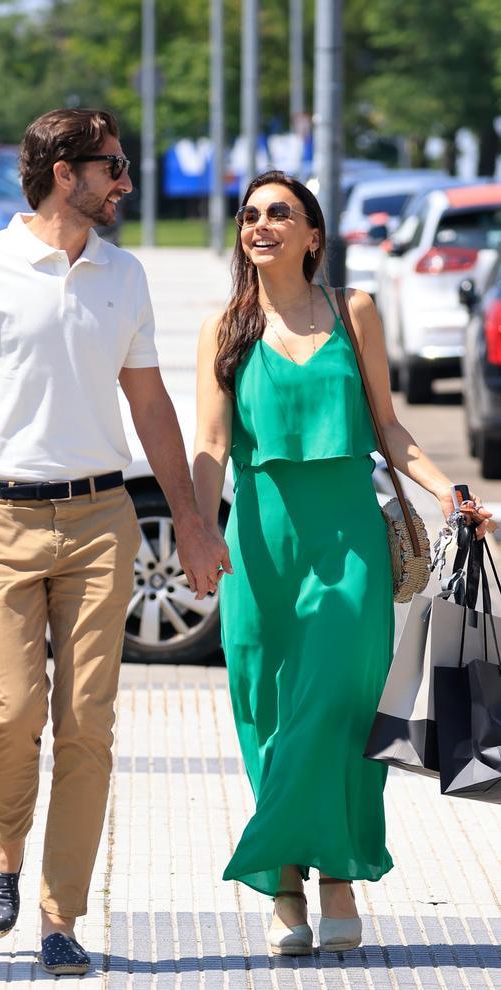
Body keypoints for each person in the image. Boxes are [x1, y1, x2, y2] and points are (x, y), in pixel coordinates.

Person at [0, 107, 229, 976]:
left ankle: (61, 916)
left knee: (88, 722)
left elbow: (149, 406)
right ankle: (3, 850)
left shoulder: (123, 273)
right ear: (66, 172)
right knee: (11, 709)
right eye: (114, 167)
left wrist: (188, 518)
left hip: (102, 522)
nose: (126, 184)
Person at [192, 169, 491, 956]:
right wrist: (196, 524)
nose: (260, 224)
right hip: (261, 546)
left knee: (337, 708)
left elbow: (389, 428)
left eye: (279, 213)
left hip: (349, 543)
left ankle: (337, 877)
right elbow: (213, 445)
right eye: (250, 214)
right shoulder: (225, 326)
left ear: (313, 235)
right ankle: (285, 880)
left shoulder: (354, 313)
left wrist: (449, 492)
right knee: (268, 711)